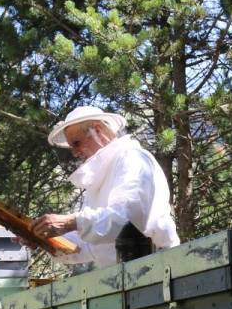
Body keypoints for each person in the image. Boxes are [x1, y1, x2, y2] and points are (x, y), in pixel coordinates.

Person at [32, 106, 179, 267]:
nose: (75, 153)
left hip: (158, 268)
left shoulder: (131, 158)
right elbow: (92, 244)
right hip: (126, 275)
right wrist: (44, 238)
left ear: (98, 130)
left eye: (76, 143)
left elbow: (128, 219)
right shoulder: (101, 177)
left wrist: (71, 222)